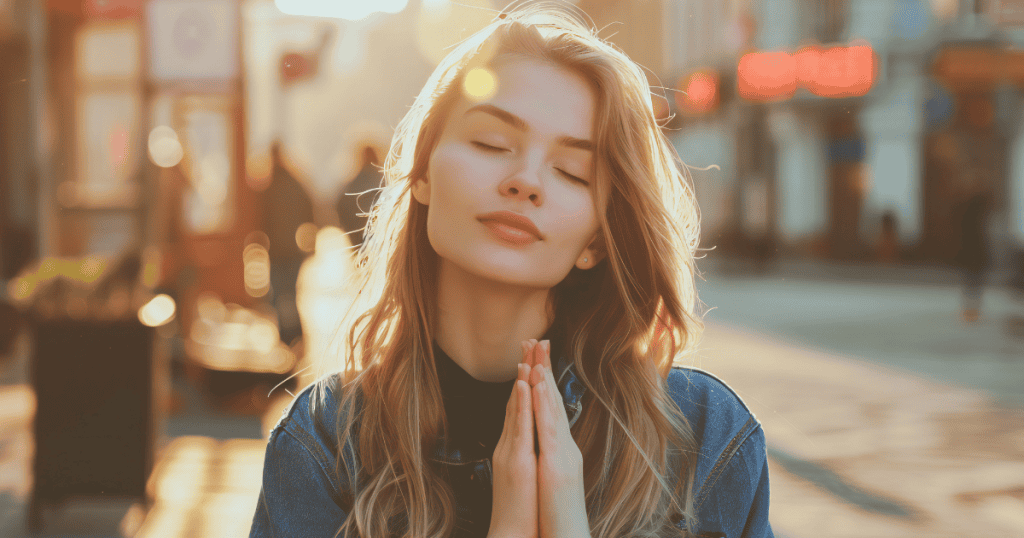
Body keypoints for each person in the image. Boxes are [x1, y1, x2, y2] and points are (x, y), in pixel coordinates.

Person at [250, 5, 774, 538]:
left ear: (596, 238)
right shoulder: (326, 444)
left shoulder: (703, 439)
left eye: (573, 171)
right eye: (491, 143)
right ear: (423, 173)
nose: (526, 181)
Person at [260, 141, 316, 345]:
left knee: (281, 296)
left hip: (277, 251)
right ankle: (296, 337)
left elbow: (260, 220)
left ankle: (288, 337)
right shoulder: (296, 183)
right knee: (290, 294)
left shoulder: (267, 186)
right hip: (292, 250)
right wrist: (311, 241)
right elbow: (311, 210)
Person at [955, 170, 993, 323]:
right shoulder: (969, 205)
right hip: (971, 248)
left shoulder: (979, 204)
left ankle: (973, 310)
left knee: (974, 281)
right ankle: (971, 310)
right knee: (971, 281)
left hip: (976, 247)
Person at [336, 145, 384, 249]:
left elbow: (340, 205)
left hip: (359, 239)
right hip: (382, 237)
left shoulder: (353, 183)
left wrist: (349, 230)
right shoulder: (385, 180)